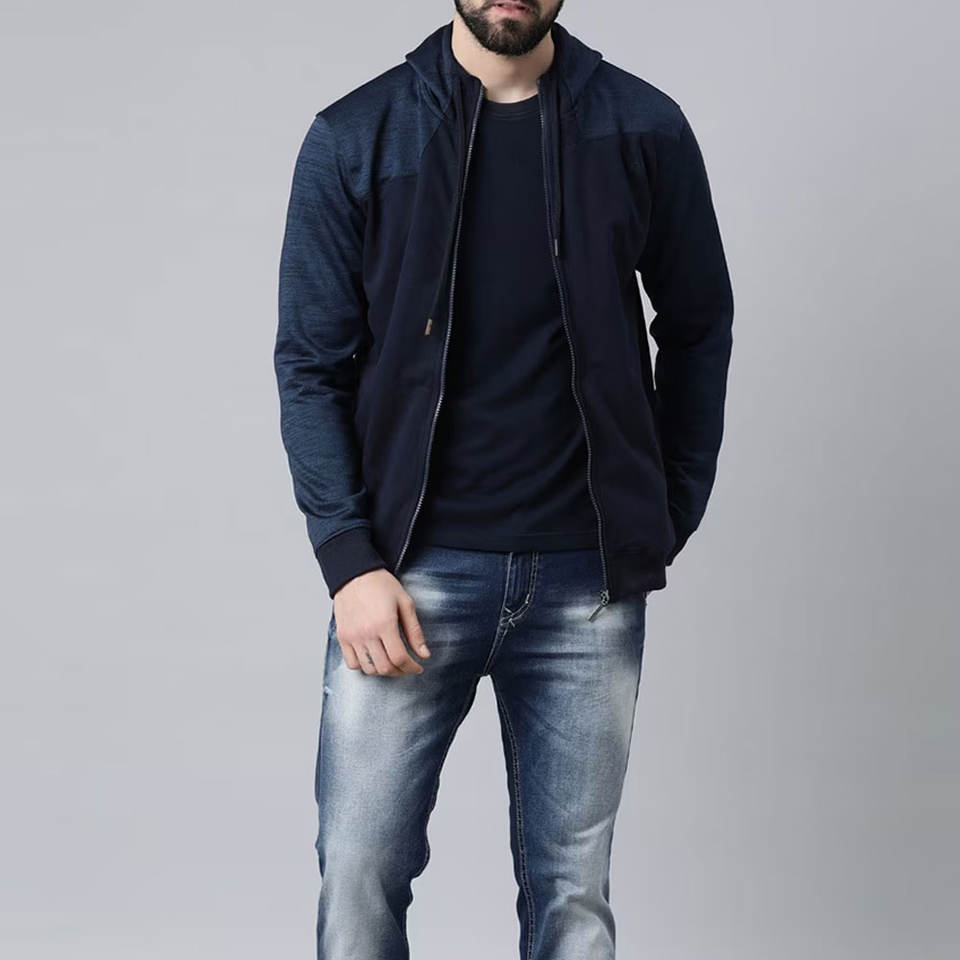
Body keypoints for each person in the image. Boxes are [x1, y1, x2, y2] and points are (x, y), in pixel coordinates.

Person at [274, 3, 733, 957]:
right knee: (358, 869)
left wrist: (667, 508)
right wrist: (349, 560)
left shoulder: (641, 127)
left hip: (586, 582)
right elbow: (310, 365)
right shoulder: (358, 136)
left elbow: (699, 325)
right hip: (407, 578)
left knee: (573, 891)